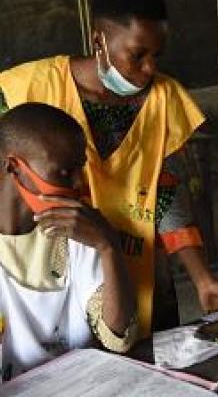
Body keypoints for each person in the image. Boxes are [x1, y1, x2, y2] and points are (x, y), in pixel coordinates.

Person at [0, 0, 218, 336]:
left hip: (138, 272)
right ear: (98, 40)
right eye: (137, 55)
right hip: (51, 272)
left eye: (156, 56)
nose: (149, 69)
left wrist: (202, 278)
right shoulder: (24, 87)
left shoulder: (163, 98)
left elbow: (167, 194)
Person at [0, 103, 137, 380]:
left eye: (80, 169)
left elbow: (118, 336)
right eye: (63, 172)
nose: (77, 183)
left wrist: (109, 247)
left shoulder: (78, 229)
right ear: (13, 166)